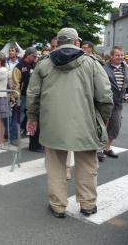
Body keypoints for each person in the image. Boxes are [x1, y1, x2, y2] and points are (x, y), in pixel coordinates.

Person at [27, 27, 113, 219]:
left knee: (56, 166)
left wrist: (32, 118)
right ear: (76, 42)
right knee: (87, 165)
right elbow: (105, 96)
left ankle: (58, 205)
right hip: (85, 122)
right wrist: (104, 117)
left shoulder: (44, 64)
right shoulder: (92, 63)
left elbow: (32, 95)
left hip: (52, 123)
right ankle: (88, 204)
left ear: (57, 42)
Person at [100, 46, 128, 160]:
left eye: (122, 55)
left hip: (118, 103)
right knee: (102, 126)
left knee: (115, 126)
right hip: (104, 102)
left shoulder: (126, 69)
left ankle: (107, 148)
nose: (120, 57)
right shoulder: (103, 68)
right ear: (111, 56)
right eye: (117, 55)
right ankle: (99, 149)